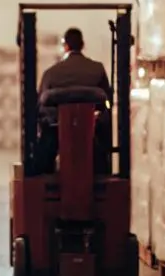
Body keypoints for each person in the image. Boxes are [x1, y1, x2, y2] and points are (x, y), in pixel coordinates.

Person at [36, 27, 113, 174]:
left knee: (45, 136)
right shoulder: (97, 69)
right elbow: (108, 100)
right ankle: (103, 169)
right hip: (91, 129)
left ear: (65, 46)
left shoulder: (51, 73)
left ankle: (45, 170)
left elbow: (40, 103)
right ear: (82, 45)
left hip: (59, 131)